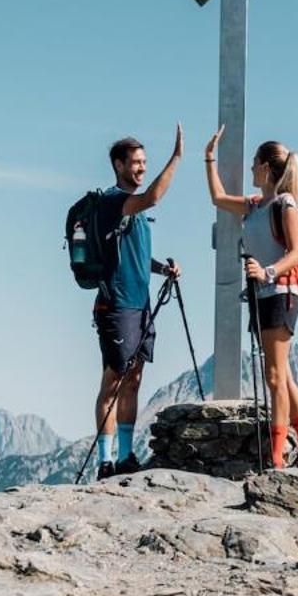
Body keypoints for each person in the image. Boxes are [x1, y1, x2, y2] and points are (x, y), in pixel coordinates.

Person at [203, 127, 298, 469]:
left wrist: (266, 272)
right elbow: (218, 199)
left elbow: (296, 254)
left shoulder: (285, 205)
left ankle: (276, 455)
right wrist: (209, 157)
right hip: (262, 295)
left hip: (280, 294)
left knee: (273, 376)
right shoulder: (256, 206)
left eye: (255, 164)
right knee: (282, 375)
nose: (251, 169)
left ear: (267, 168)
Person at [91, 125, 184, 476]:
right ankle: (105, 462)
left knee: (133, 379)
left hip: (140, 304)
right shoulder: (114, 201)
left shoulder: (135, 210)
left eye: (145, 162)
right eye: (136, 163)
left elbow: (136, 256)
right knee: (113, 381)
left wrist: (162, 268)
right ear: (118, 165)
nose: (142, 168)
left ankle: (126, 457)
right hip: (117, 305)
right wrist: (176, 158)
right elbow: (155, 196)